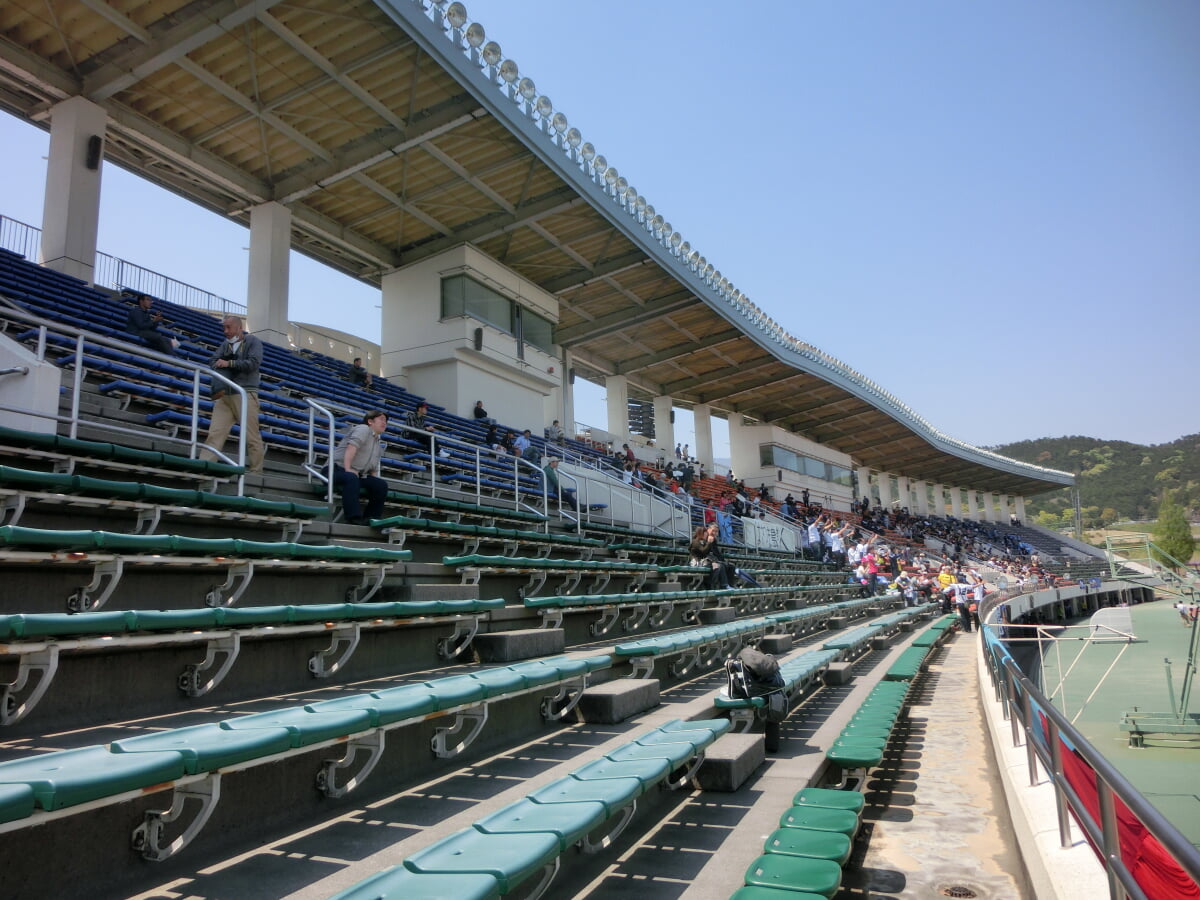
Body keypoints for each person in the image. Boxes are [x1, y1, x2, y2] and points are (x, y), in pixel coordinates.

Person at [202, 315, 265, 473]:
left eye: (229, 327)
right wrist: (224, 362)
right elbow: (213, 361)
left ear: (239, 328)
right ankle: (203, 466)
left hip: (245, 393)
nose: (226, 331)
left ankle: (256, 471)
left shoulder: (252, 341)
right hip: (226, 395)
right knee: (215, 433)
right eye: (224, 327)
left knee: (251, 436)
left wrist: (229, 363)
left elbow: (253, 363)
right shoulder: (226, 345)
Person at [332, 410, 389, 525]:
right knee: (352, 478)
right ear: (370, 421)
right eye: (381, 419)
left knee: (381, 485)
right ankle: (353, 518)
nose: (385, 423)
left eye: (386, 421)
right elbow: (351, 448)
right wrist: (348, 469)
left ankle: (371, 518)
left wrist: (374, 481)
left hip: (357, 475)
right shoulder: (363, 429)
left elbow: (373, 467)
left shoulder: (377, 441)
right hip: (336, 469)